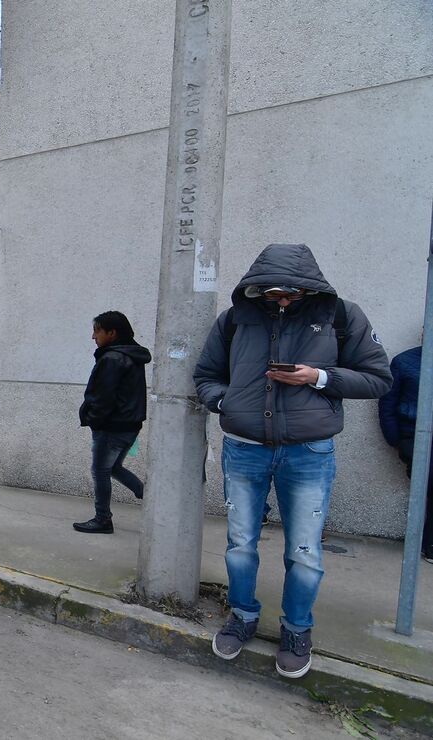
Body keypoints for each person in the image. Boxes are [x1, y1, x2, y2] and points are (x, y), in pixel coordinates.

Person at [194, 243, 391, 679]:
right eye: (273, 293)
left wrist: (318, 377)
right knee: (240, 544)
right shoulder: (234, 319)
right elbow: (205, 374)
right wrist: (224, 400)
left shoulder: (341, 316)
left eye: (292, 294)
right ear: (257, 289)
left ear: (309, 289)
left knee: (304, 551)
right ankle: (243, 615)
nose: (282, 301)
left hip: (309, 453)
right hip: (243, 448)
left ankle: (297, 629)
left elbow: (379, 379)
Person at [74, 311, 150, 534]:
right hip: (129, 425)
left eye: (97, 331)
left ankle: (103, 519)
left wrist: (94, 420)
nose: (93, 336)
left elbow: (103, 397)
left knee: (100, 470)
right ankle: (148, 495)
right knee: (113, 467)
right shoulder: (130, 355)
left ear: (112, 333)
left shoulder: (112, 358)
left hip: (112, 427)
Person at [378, 342, 433, 565]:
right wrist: (396, 440)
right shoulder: (404, 361)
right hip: (414, 436)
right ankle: (429, 544)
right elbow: (387, 403)